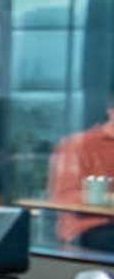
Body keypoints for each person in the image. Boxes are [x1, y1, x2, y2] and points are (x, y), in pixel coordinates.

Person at [47, 92, 114, 249]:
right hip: (91, 227)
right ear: (111, 111)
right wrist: (108, 199)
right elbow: (64, 197)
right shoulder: (78, 145)